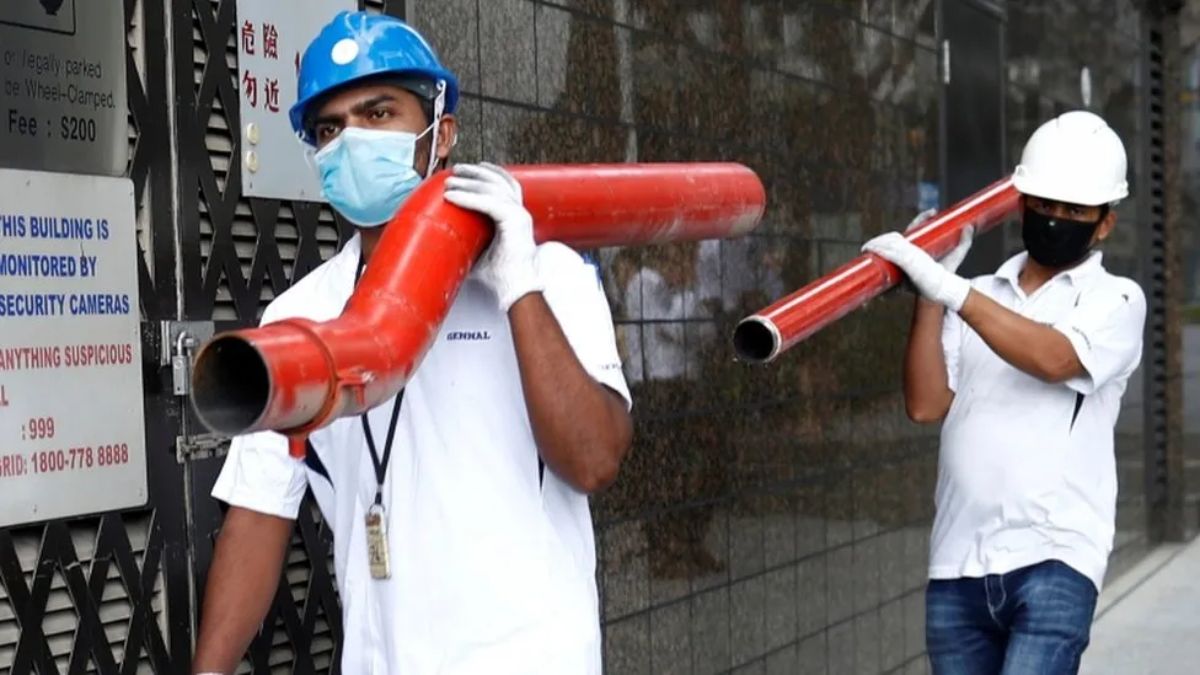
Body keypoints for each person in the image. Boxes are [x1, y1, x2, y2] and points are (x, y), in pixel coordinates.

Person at [191, 12, 633, 675]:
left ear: (440, 132)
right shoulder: (299, 315)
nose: (352, 142)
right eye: (331, 130)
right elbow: (258, 513)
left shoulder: (550, 274)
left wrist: (518, 286)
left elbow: (594, 458)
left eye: (378, 114)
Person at [862, 110, 1146, 675]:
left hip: (1054, 560)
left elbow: (1053, 358)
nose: (1054, 219)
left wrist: (949, 288)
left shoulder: (1117, 300)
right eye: (1043, 204)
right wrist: (929, 293)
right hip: (957, 561)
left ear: (1105, 223)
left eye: (1074, 211)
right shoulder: (976, 293)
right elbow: (926, 404)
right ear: (1022, 206)